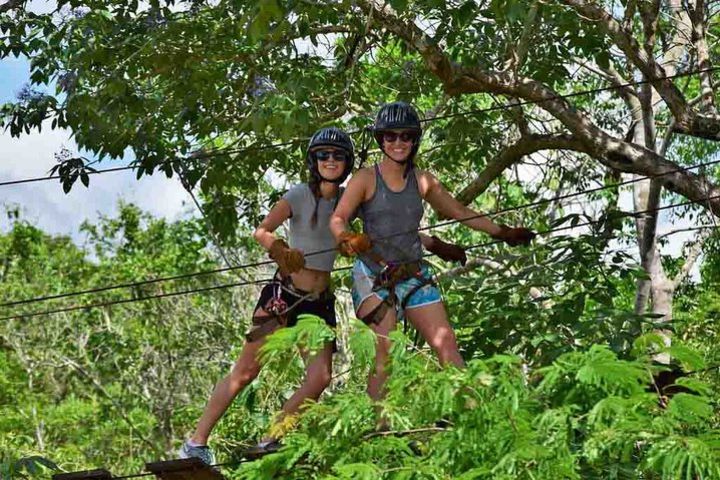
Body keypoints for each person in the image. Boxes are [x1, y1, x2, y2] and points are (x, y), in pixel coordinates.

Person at [329, 101, 535, 401]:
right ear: (381, 139)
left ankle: (470, 414)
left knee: (446, 343)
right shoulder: (365, 178)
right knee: (387, 348)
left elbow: (458, 211)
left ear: (415, 139)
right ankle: (381, 431)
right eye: (390, 136)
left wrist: (502, 232)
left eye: (405, 136)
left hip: (412, 272)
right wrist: (347, 237)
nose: (398, 142)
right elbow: (338, 217)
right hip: (373, 276)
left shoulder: (422, 180)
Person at [179, 127, 355, 463]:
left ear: (347, 162)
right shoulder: (300, 194)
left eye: (337, 155)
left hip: (319, 303)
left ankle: (271, 439)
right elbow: (262, 230)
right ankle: (196, 442)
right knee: (246, 371)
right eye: (323, 155)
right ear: (313, 160)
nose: (330, 161)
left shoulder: (348, 201)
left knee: (320, 377)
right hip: (283, 295)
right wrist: (279, 248)